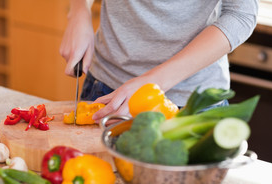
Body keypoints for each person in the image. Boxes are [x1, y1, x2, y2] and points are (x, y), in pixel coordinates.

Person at [59, 0, 259, 121]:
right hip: (106, 88)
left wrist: (153, 82)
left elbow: (241, 15)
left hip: (190, 104)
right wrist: (79, 12)